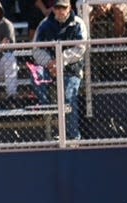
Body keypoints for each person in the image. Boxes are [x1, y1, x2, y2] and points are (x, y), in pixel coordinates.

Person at [31, 0, 88, 139]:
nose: (60, 11)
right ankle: (52, 127)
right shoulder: (44, 24)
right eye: (57, 7)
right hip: (49, 67)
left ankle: (73, 137)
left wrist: (60, 61)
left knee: (68, 97)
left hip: (71, 68)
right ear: (53, 9)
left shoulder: (78, 23)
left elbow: (81, 48)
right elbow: (36, 49)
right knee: (36, 81)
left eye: (63, 7)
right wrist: (50, 63)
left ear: (70, 8)